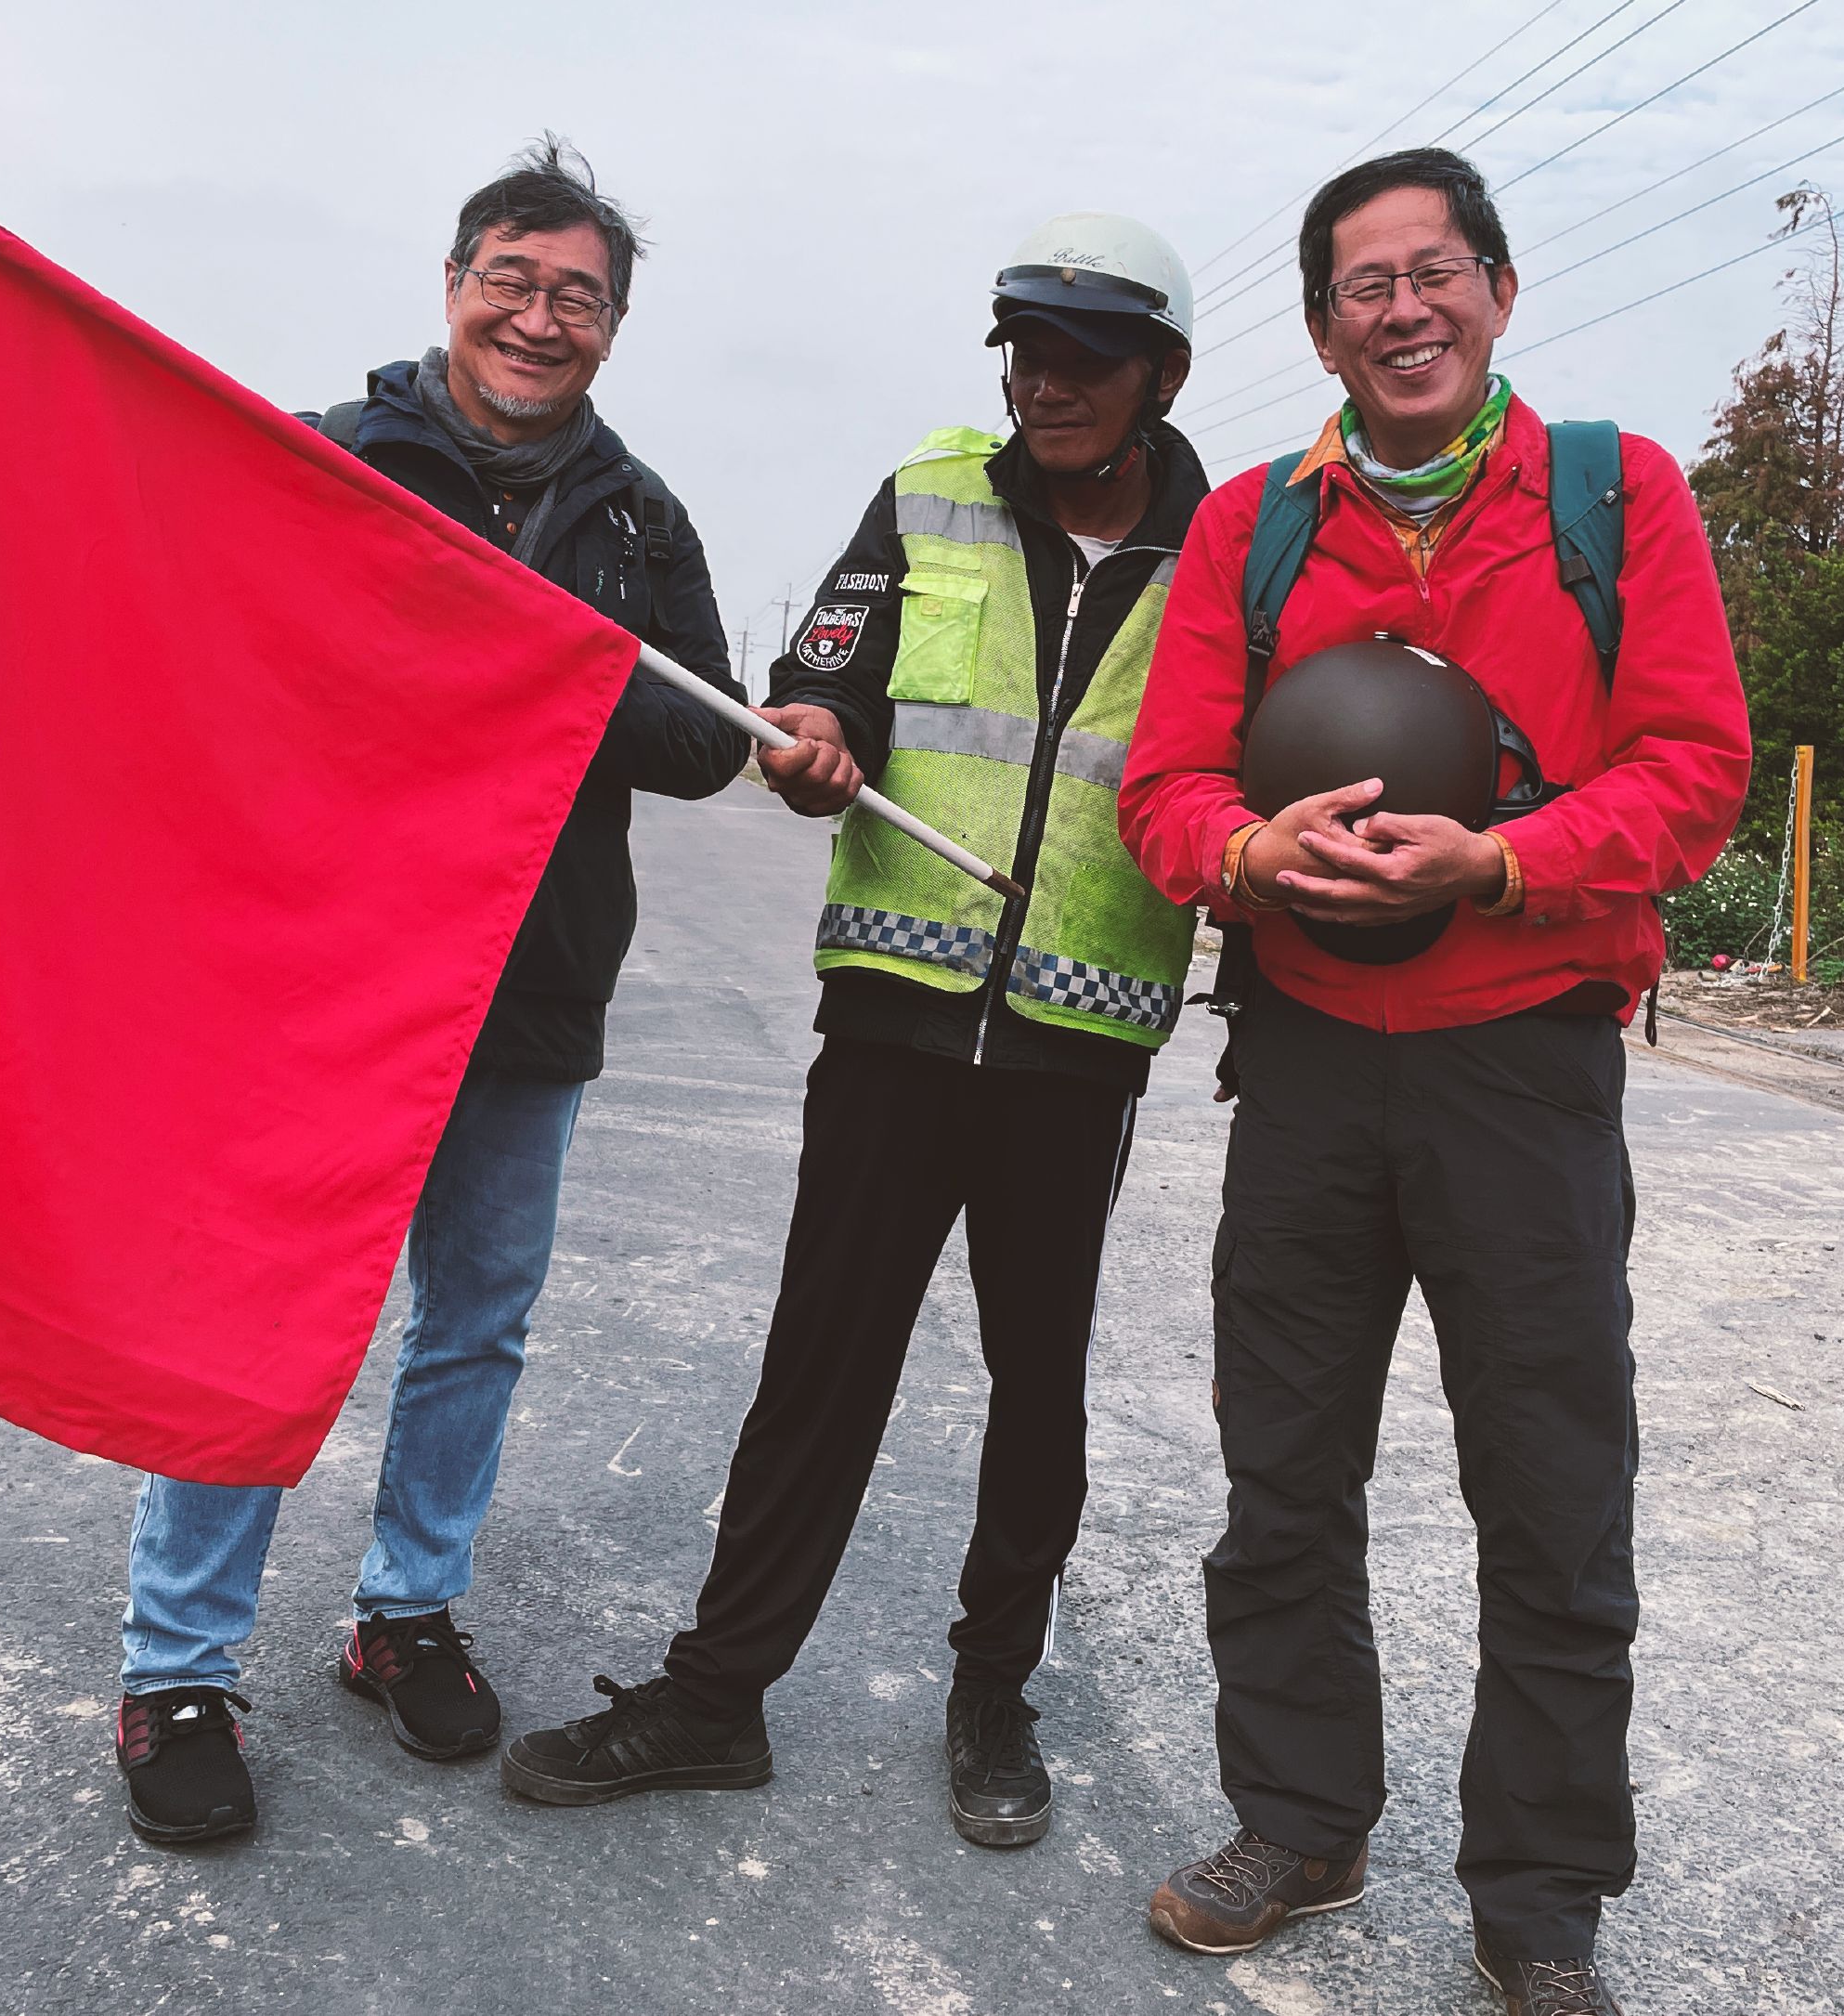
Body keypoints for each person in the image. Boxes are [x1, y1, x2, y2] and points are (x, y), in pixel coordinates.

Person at [1116, 149, 1749, 2012]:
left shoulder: (1608, 495)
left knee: (1549, 1490)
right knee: (1280, 1473)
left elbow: (1692, 771)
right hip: (1306, 1064)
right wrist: (1246, 856)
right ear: (1318, 325)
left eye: (1432, 272)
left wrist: (1497, 864)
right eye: (1360, 286)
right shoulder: (1253, 523)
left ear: (1495, 287)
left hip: (1523, 1068)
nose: (1401, 310)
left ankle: (1539, 1902)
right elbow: (1164, 789)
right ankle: (1299, 1821)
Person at [500, 215, 1210, 1850]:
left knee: (1038, 1388)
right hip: (893, 1018)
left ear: (1159, 375)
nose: (1043, 384)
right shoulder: (927, 495)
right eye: (1023, 349)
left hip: (1077, 1040)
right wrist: (811, 732)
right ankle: (715, 1695)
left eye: (1083, 359)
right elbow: (824, 684)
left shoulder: (1230, 546)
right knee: (821, 1363)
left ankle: (994, 1693)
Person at [110, 137, 748, 1847]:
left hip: (529, 982)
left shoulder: (636, 514)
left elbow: (704, 740)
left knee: (475, 1322)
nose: (541, 318)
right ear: (455, 284)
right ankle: (176, 1665)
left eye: (580, 298)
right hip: (324, 970)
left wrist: (542, 650)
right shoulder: (325, 460)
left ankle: (405, 1616)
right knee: (258, 1302)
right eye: (512, 280)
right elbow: (213, 660)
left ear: (613, 328)